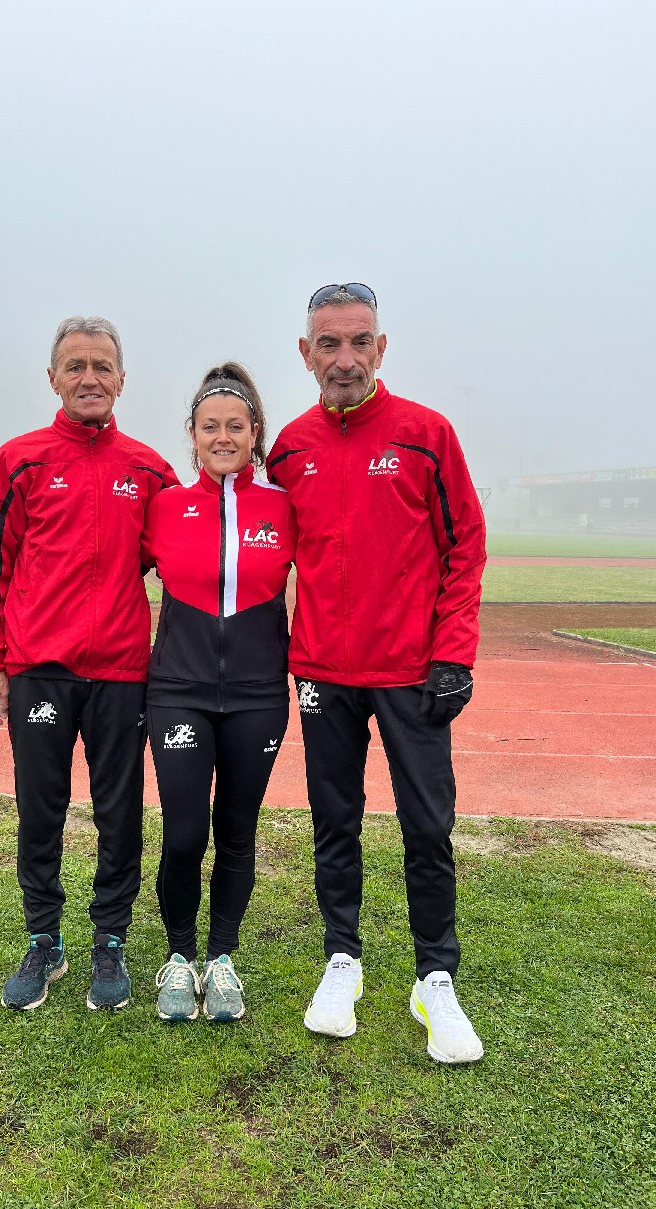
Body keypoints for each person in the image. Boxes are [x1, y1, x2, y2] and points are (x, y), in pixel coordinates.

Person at [267, 284, 487, 1063]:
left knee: (427, 825)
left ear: (380, 347)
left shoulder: (426, 435)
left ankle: (434, 978)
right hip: (321, 669)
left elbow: (464, 545)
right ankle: (342, 961)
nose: (344, 358)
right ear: (306, 353)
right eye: (328, 343)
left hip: (410, 672)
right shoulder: (287, 448)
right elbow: (263, 554)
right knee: (335, 822)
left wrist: (453, 651)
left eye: (359, 341)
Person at [0, 316, 178, 1012]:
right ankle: (44, 940)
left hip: (121, 672)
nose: (90, 378)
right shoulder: (20, 460)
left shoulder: (148, 470)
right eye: (76, 366)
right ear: (53, 378)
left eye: (102, 366)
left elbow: (182, 558)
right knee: (41, 809)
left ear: (121, 379)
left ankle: (109, 939)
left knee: (120, 813)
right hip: (40, 670)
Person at [141, 364, 296, 1023]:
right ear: (193, 434)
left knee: (237, 829)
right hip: (178, 689)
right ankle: (179, 957)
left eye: (235, 425)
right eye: (210, 427)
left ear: (254, 432)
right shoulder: (164, 507)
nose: (223, 437)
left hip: (258, 694)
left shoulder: (283, 506)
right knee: (184, 833)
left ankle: (222, 958)